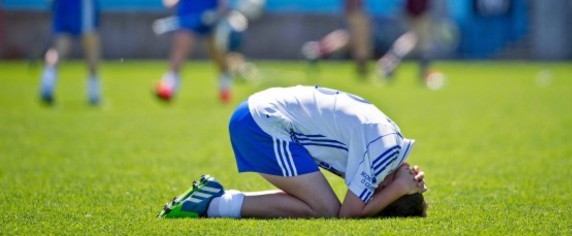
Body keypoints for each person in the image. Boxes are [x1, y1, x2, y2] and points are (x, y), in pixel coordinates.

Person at [158, 84, 427, 219]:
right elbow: (349, 215)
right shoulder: (386, 152)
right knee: (325, 210)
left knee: (325, 206)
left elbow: (355, 207)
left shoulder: (391, 142)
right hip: (262, 122)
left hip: (261, 114)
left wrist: (400, 187)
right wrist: (401, 189)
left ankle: (213, 201)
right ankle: (213, 205)